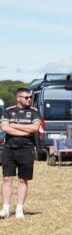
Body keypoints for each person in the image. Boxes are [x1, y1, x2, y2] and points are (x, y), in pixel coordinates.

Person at [1, 88, 41, 219]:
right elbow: (4, 127)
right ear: (18, 98)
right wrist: (25, 132)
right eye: (26, 97)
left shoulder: (34, 112)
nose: (29, 99)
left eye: (30, 97)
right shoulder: (8, 111)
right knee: (7, 178)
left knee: (23, 180)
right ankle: (6, 208)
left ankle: (19, 208)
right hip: (10, 149)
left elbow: (34, 128)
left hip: (27, 148)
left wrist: (14, 126)